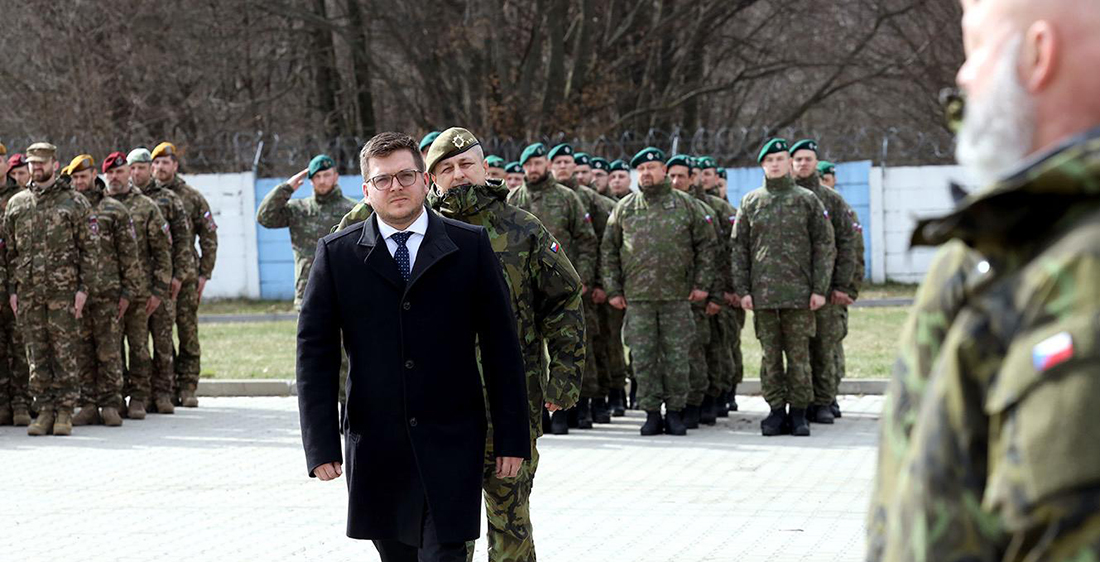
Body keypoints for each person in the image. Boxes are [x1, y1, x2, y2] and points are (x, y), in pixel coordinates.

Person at [868, 0, 1100, 559]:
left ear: (1039, 55)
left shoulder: (1081, 271)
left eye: (976, 48)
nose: (962, 77)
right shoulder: (1003, 243)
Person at [297, 131, 530, 562]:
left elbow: (501, 347)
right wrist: (321, 444)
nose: (396, 187)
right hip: (378, 444)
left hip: (452, 439)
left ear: (425, 180)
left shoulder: (469, 246)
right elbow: (315, 354)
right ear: (366, 190)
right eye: (383, 180)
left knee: (444, 554)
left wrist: (513, 437)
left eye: (406, 175)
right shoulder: (338, 255)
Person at [424, 127, 585, 562]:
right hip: (441, 407)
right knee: (445, 526)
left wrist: (564, 378)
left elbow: (564, 298)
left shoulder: (522, 228)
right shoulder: (418, 230)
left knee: (510, 515)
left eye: (466, 164)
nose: (459, 175)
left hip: (511, 401)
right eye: (446, 168)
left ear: (484, 167)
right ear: (430, 177)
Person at [602, 147, 716, 436]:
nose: (646, 173)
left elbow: (707, 246)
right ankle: (651, 412)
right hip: (638, 298)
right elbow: (609, 251)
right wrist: (614, 289)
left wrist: (702, 284)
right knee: (643, 358)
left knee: (678, 357)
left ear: (664, 170)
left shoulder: (686, 205)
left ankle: (676, 411)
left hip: (677, 297)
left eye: (651, 168)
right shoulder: (626, 207)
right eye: (641, 169)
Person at [731, 138, 834, 437]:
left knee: (799, 356)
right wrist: (743, 290)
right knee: (770, 357)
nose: (775, 164)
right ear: (762, 165)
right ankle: (776, 411)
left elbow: (823, 246)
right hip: (763, 296)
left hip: (799, 295)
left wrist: (819, 288)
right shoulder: (751, 201)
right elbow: (739, 249)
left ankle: (799, 414)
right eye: (769, 160)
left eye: (780, 159)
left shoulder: (806, 199)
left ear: (789, 163)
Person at [5, 143, 96, 436]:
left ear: (55, 165)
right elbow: (10, 253)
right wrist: (13, 290)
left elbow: (89, 251)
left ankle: (65, 412)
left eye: (42, 162)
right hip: (29, 292)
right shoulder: (17, 204)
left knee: (65, 351)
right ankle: (44, 409)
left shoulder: (75, 203)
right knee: (36, 353)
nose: (36, 167)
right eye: (32, 162)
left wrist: (83, 289)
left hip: (63, 293)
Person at [507, 142, 598, 430]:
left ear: (546, 164)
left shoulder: (568, 198)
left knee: (568, 345)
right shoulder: (513, 200)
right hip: (525, 291)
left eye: (537, 163)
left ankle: (577, 406)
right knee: (531, 352)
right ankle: (546, 412)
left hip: (560, 286)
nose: (533, 169)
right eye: (528, 165)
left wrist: (580, 278)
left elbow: (586, 241)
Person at [65, 155, 143, 428]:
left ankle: (111, 403)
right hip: (77, 295)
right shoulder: (68, 209)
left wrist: (128, 293)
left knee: (109, 351)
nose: (79, 182)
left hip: (108, 294)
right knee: (82, 351)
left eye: (83, 177)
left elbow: (129, 255)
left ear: (93, 176)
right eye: (74, 178)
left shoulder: (114, 210)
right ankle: (87, 404)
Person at [789, 140, 863, 424]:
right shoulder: (787, 196)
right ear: (791, 163)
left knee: (824, 346)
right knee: (798, 349)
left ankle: (822, 401)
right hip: (794, 287)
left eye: (808, 159)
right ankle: (800, 400)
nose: (803, 164)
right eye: (798, 160)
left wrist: (843, 286)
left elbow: (848, 245)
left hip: (827, 288)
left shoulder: (832, 200)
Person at [546, 143, 615, 426]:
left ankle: (587, 402)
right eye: (557, 162)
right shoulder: (523, 197)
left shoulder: (587, 199)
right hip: (542, 288)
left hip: (576, 287)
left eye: (566, 161)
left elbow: (600, 242)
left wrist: (591, 280)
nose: (562, 167)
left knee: (581, 345)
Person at [104, 151, 172, 420]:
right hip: (108, 292)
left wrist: (158, 290)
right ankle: (116, 396)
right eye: (110, 173)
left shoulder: (146, 206)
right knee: (110, 348)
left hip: (140, 292)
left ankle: (139, 397)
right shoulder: (98, 205)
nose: (115, 177)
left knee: (139, 346)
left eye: (120, 172)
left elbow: (162, 251)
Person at [130, 147, 194, 414]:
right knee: (138, 343)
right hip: (135, 285)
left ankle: (164, 393)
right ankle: (141, 394)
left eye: (141, 168)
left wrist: (178, 276)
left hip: (163, 281)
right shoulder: (122, 199)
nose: (137, 173)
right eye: (132, 168)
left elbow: (181, 241)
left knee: (163, 340)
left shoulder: (168, 199)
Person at [153, 142, 216, 408]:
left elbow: (209, 234)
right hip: (158, 278)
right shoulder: (148, 197)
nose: (160, 168)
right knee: (162, 335)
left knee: (187, 332)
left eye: (165, 163)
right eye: (156, 163)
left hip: (188, 277)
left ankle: (188, 386)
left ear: (175, 165)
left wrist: (205, 273)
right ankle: (164, 388)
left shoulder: (191, 196)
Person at [256, 154, 357, 309]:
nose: (322, 180)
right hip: (308, 289)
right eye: (317, 176)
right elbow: (264, 217)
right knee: (309, 333)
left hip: (345, 288)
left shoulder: (352, 210)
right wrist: (286, 188)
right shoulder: (298, 209)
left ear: (336, 176)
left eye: (326, 175)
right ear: (310, 180)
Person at [666, 154, 722, 428]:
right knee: (672, 354)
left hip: (695, 296)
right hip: (668, 294)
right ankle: (676, 402)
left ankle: (699, 402)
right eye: (672, 176)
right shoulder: (662, 206)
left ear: (693, 178)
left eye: (681, 176)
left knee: (697, 351)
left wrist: (714, 293)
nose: (676, 181)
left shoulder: (706, 208)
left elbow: (717, 254)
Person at [0, 151, 31, 426]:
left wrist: (16, 285)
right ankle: (2, 403)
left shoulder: (20, 198)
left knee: (19, 345)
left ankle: (22, 402)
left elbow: (22, 247)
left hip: (14, 285)